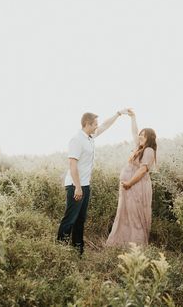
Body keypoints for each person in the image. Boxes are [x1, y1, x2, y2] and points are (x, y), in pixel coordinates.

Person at [57, 109, 128, 254]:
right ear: (87, 124)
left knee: (80, 220)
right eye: (95, 124)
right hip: (75, 185)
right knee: (70, 219)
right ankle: (59, 251)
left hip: (84, 185)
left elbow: (105, 126)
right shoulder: (77, 140)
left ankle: (78, 251)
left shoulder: (89, 137)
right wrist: (77, 187)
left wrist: (118, 114)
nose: (97, 126)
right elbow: (72, 164)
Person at [106, 109, 157, 247]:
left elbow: (142, 170)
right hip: (129, 187)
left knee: (136, 217)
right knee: (126, 215)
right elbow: (134, 132)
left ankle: (137, 247)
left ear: (149, 138)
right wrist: (133, 117)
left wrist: (129, 183)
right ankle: (123, 244)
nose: (140, 137)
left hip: (137, 187)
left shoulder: (149, 150)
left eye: (143, 136)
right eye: (140, 135)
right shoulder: (139, 147)